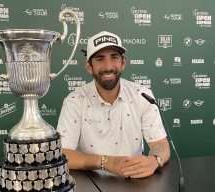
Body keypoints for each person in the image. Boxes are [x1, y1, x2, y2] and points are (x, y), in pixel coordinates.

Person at [57, 31, 170, 178]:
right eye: (100, 59)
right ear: (89, 67)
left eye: (114, 57)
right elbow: (62, 154)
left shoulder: (142, 95)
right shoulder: (74, 100)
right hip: (90, 184)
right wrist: (106, 162)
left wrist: (154, 160)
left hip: (134, 182)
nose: (108, 66)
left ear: (123, 63)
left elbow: (160, 144)